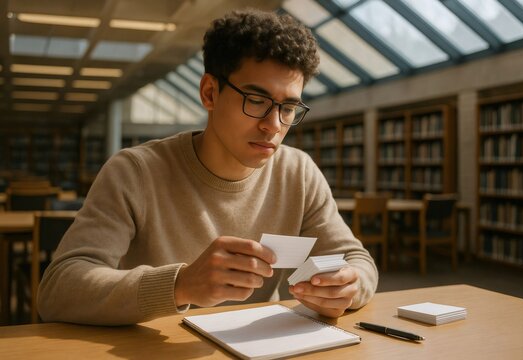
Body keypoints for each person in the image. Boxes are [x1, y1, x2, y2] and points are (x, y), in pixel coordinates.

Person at [38, 8, 378, 325]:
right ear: (209, 93)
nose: (273, 125)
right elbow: (58, 288)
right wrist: (180, 285)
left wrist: (349, 286)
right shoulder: (135, 171)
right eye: (256, 101)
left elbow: (356, 260)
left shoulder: (299, 172)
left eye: (288, 108)